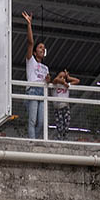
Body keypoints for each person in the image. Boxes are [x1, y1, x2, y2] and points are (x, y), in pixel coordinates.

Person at [22, 11, 49, 139]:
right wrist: (29, 24)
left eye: (44, 48)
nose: (42, 49)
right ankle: (32, 143)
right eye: (40, 47)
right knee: (32, 120)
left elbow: (48, 81)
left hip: (42, 92)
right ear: (34, 51)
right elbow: (30, 43)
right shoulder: (30, 60)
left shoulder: (46, 67)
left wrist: (49, 80)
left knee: (41, 122)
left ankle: (34, 140)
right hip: (32, 91)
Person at [49, 69, 80, 141]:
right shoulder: (55, 85)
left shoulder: (67, 85)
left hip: (65, 106)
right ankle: (59, 137)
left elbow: (77, 81)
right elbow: (55, 80)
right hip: (57, 108)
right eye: (60, 76)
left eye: (64, 77)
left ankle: (65, 136)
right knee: (59, 123)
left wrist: (68, 77)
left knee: (67, 122)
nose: (62, 78)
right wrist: (62, 81)